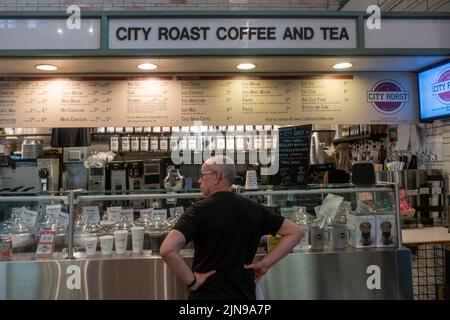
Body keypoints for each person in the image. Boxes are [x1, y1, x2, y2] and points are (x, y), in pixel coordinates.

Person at [160, 155, 303, 300]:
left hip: (208, 294)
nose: (199, 180)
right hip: (244, 295)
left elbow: (168, 249)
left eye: (203, 175)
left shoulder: (198, 210)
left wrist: (192, 281)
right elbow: (296, 232)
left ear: (216, 177)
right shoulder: (254, 208)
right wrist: (265, 264)